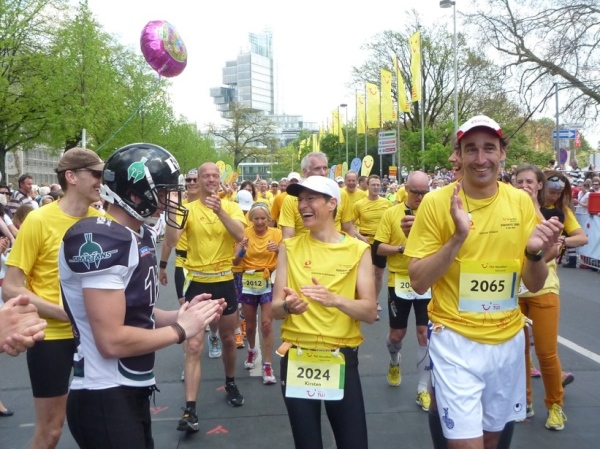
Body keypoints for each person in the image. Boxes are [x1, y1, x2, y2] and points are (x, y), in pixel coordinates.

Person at [405, 115, 563, 449]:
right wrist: (458, 237)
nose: (480, 159)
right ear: (458, 155)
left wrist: (535, 253)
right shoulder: (436, 203)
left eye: (489, 148)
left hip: (507, 342)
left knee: (492, 439)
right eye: (471, 149)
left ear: (502, 152)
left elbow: (534, 283)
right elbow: (418, 281)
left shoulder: (519, 201)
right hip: (455, 340)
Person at [58, 143, 224, 449]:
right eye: (162, 192)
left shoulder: (141, 234)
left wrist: (182, 315)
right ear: (135, 194)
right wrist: (180, 330)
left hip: (130, 389)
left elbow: (139, 312)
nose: (170, 200)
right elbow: (111, 341)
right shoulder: (100, 239)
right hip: (103, 392)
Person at [2, 148, 104, 449]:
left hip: (96, 336)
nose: (101, 180)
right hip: (51, 338)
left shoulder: (102, 221)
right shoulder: (38, 220)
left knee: (102, 426)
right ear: (71, 176)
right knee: (50, 433)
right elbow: (11, 287)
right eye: (95, 174)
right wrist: (65, 312)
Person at [272, 176, 377, 449]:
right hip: (298, 356)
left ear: (332, 204)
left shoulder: (358, 249)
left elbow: (369, 311)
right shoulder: (289, 247)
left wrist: (335, 300)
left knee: (353, 443)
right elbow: (274, 310)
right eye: (300, 200)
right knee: (307, 443)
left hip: (340, 355)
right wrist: (288, 306)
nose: (302, 205)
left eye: (311, 198)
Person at [162, 162, 245, 433]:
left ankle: (230, 382)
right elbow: (172, 240)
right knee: (194, 345)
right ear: (198, 180)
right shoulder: (187, 209)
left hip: (224, 280)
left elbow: (240, 235)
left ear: (219, 179)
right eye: (205, 176)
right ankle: (190, 410)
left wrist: (220, 211)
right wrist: (172, 212)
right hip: (197, 282)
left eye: (214, 175)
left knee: (229, 339)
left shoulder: (230, 206)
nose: (210, 179)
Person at [515, 165, 585, 432]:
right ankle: (524, 402)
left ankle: (555, 406)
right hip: (514, 292)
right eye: (519, 181)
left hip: (543, 288)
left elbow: (553, 250)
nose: (524, 186)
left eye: (529, 182)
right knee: (519, 353)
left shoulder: (553, 214)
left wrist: (550, 250)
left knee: (545, 353)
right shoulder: (508, 211)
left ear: (539, 185)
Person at [374, 171, 432, 411]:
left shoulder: (433, 211)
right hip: (399, 279)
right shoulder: (391, 213)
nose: (420, 197)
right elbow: (378, 248)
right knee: (397, 335)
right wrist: (401, 248)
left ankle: (422, 389)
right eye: (416, 192)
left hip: (426, 279)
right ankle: (394, 360)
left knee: (424, 334)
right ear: (406, 189)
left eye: (424, 192)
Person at [232, 202, 282, 384]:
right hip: (247, 279)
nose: (260, 222)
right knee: (251, 325)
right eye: (256, 219)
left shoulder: (277, 234)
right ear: (250, 219)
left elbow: (287, 259)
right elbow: (235, 262)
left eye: (263, 218)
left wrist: (278, 251)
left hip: (269, 279)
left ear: (269, 219)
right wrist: (242, 251)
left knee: (267, 324)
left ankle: (267, 364)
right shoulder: (244, 234)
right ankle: (252, 350)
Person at [279, 152, 356, 239]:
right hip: (303, 247)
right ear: (305, 172)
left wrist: (351, 246)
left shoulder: (340, 194)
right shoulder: (291, 198)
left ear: (333, 203)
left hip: (335, 246)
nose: (323, 173)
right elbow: (288, 236)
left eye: (325, 168)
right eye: (317, 169)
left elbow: (348, 228)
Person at [353, 175, 391, 318]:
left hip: (381, 241)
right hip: (366, 240)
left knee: (379, 273)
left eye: (377, 185)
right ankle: (367, 303)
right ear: (367, 186)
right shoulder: (359, 204)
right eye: (373, 185)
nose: (376, 187)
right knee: (368, 273)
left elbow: (392, 222)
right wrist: (360, 237)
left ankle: (374, 300)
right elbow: (350, 224)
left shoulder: (387, 203)